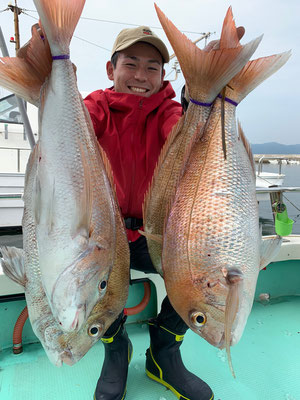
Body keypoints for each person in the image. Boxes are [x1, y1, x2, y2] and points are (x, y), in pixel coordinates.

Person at [84, 26, 214, 400]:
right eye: (131, 64)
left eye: (153, 67)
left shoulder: (171, 112)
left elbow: (188, 138)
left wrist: (197, 98)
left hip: (156, 234)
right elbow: (72, 133)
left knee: (200, 277)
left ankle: (164, 351)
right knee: (90, 281)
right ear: (112, 70)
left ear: (163, 75)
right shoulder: (95, 107)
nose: (141, 76)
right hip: (105, 235)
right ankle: (116, 347)